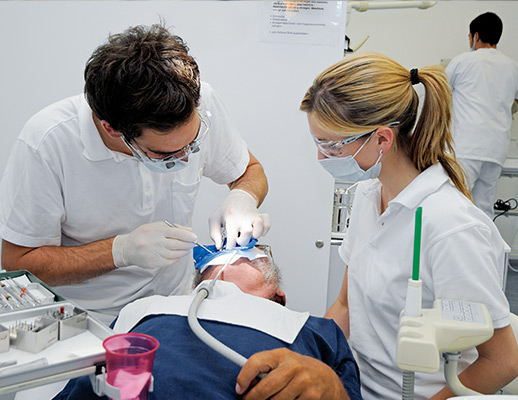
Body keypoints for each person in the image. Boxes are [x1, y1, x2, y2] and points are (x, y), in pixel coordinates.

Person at [0, 24, 270, 325]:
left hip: (174, 307)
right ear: (112, 129)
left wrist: (243, 197)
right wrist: (120, 251)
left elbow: (249, 170)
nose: (185, 157)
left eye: (192, 144)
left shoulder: (200, 104)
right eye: (165, 154)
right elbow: (17, 262)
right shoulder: (47, 143)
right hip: (85, 319)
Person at [299, 52, 518, 399]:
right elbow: (345, 305)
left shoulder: (450, 227)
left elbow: (503, 361)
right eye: (318, 142)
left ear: (382, 140)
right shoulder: (370, 195)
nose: (321, 157)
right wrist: (305, 360)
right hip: (357, 385)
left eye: (332, 145)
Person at [54, 244, 362, 400]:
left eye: (254, 253)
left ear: (277, 296)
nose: (234, 250)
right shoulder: (148, 307)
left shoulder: (312, 328)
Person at [445, 12, 518, 218]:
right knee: (483, 209)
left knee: (455, 205)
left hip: (466, 147)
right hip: (495, 150)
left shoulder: (463, 61)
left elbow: (440, 93)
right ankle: (483, 250)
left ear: (475, 36)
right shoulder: (513, 68)